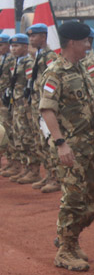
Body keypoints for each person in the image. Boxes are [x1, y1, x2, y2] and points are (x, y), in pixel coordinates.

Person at [39, 21, 94, 272]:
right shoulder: (55, 72)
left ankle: (70, 235)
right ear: (71, 43)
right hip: (70, 149)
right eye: (85, 42)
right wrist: (60, 144)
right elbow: (47, 109)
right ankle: (65, 250)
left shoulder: (80, 69)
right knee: (74, 198)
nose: (88, 46)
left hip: (90, 145)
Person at [27, 23, 60, 193]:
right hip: (37, 103)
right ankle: (49, 174)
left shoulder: (49, 56)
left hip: (46, 103)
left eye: (35, 36)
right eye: (30, 36)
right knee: (42, 142)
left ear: (44, 37)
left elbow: (51, 80)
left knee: (50, 140)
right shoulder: (39, 55)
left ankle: (56, 177)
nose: (31, 39)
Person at [7, 33, 39, 185]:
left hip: (25, 104)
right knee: (18, 134)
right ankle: (26, 166)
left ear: (25, 47)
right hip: (16, 103)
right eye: (12, 46)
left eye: (17, 46)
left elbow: (29, 83)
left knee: (27, 135)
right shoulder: (15, 62)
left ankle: (34, 169)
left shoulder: (28, 62)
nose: (13, 49)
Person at [0, 33, 17, 176]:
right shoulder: (2, 59)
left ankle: (14, 162)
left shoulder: (12, 60)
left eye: (1, 45)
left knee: (8, 130)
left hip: (7, 100)